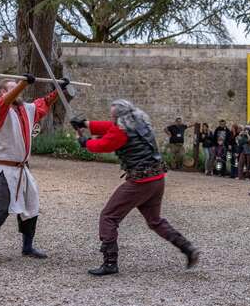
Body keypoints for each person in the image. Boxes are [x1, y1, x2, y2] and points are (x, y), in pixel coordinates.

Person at [71, 100, 199, 276]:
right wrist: (86, 124)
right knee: (155, 221)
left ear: (119, 117)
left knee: (108, 216)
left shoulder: (121, 131)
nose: (112, 118)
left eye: (113, 116)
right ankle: (187, 248)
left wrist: (85, 142)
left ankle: (110, 263)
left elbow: (104, 144)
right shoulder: (139, 123)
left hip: (140, 182)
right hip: (157, 180)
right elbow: (110, 127)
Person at [0, 74, 69, 261]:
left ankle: (27, 247)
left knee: (32, 206)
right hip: (4, 169)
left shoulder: (27, 109)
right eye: (12, 88)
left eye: (17, 87)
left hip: (22, 170)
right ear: (3, 92)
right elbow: (6, 101)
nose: (17, 91)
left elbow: (45, 102)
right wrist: (24, 83)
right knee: (2, 208)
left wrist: (61, 89)